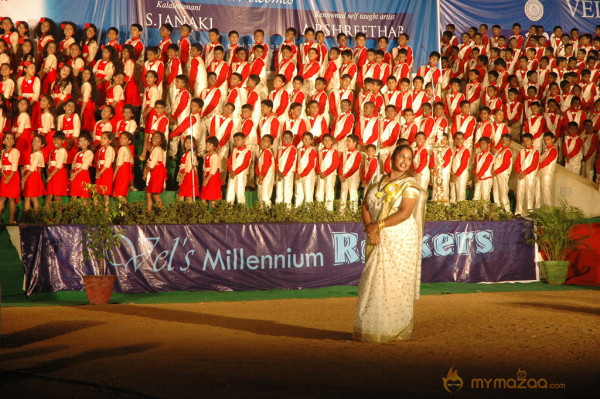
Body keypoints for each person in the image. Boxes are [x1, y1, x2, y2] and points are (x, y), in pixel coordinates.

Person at [354, 144, 426, 343]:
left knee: (393, 284)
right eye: (401, 156)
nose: (405, 161)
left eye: (409, 158)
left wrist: (378, 225)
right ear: (392, 158)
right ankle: (371, 328)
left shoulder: (410, 185)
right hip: (377, 234)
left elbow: (404, 213)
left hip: (400, 238)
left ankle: (395, 329)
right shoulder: (377, 180)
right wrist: (370, 227)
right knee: (372, 280)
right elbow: (366, 206)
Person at [515, 133, 539, 216]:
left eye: (528, 140)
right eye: (524, 141)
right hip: (521, 175)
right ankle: (518, 211)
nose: (526, 143)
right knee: (519, 193)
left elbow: (534, 165)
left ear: (532, 141)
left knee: (530, 194)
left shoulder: (535, 152)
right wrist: (519, 172)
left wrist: (524, 173)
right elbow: (517, 163)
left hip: (530, 175)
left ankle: (530, 212)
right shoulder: (521, 151)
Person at [143, 131, 168, 212]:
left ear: (161, 141)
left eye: (157, 137)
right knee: (149, 194)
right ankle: (149, 213)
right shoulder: (153, 149)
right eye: (154, 136)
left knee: (155, 195)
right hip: (154, 172)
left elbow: (153, 163)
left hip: (157, 172)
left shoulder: (157, 149)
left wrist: (146, 173)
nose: (154, 138)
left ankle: (163, 213)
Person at [22, 134, 46, 211]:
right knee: (29, 197)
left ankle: (33, 216)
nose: (35, 143)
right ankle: (30, 216)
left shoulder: (38, 154)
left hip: (32, 176)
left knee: (31, 198)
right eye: (34, 141)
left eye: (38, 142)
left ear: (42, 145)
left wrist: (25, 177)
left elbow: (33, 167)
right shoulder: (34, 153)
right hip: (30, 175)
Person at [0, 132, 20, 223]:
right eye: (7, 138)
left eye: (11, 138)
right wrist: (5, 176)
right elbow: (1, 166)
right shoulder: (2, 152)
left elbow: (14, 166)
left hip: (13, 176)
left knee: (11, 198)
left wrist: (9, 178)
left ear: (14, 142)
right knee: (2, 197)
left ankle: (12, 219)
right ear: (3, 141)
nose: (9, 140)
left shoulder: (15, 151)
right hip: (5, 175)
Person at [315, 134, 339, 211]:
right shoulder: (320, 152)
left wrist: (326, 173)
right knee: (319, 191)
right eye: (325, 140)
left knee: (329, 191)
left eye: (329, 140)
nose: (327, 142)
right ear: (322, 142)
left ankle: (328, 210)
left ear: (332, 142)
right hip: (321, 174)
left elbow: (335, 164)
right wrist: (319, 172)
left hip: (330, 174)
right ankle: (319, 209)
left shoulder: (334, 151)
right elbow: (317, 163)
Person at [226, 132, 251, 204]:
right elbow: (229, 161)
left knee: (240, 192)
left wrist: (235, 172)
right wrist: (230, 171)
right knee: (230, 192)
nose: (236, 142)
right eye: (235, 140)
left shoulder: (247, 151)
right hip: (232, 174)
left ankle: (241, 209)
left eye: (238, 139)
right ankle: (229, 208)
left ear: (244, 140)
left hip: (241, 174)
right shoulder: (234, 150)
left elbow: (245, 164)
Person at [339, 134, 362, 211]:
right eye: (347, 141)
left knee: (353, 193)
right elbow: (340, 164)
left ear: (355, 143)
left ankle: (353, 211)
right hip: (343, 176)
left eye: (349, 141)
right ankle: (342, 211)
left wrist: (346, 176)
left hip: (353, 177)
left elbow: (355, 167)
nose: (347, 143)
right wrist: (340, 174)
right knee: (343, 193)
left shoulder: (357, 154)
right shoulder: (344, 153)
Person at [45, 131, 68, 209]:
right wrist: (48, 174)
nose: (56, 141)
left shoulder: (62, 151)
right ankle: (47, 215)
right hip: (51, 175)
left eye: (58, 139)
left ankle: (59, 215)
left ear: (63, 141)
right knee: (49, 195)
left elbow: (58, 166)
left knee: (57, 196)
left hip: (58, 174)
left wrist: (50, 176)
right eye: (54, 139)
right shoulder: (52, 152)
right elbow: (48, 165)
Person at [294, 132, 317, 207]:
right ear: (302, 140)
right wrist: (296, 173)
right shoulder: (299, 150)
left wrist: (302, 174)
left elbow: (310, 165)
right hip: (299, 175)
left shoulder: (312, 151)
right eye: (305, 139)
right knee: (298, 193)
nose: (306, 141)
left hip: (308, 176)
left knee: (308, 194)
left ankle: (309, 213)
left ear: (311, 141)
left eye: (309, 139)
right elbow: (296, 162)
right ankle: (297, 211)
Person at [535, 132, 558, 207]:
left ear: (553, 140)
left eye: (548, 139)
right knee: (538, 192)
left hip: (547, 174)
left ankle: (549, 211)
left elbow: (547, 161)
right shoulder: (546, 150)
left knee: (546, 192)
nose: (546, 142)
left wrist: (537, 166)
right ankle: (537, 208)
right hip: (541, 172)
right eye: (544, 140)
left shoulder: (553, 150)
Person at [69, 131, 94, 199]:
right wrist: (72, 174)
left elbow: (84, 166)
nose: (83, 143)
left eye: (84, 141)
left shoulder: (89, 152)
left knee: (83, 196)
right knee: (73, 195)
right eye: (80, 141)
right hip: (75, 175)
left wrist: (75, 173)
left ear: (88, 143)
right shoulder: (77, 154)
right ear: (78, 144)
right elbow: (73, 165)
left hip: (83, 174)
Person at [275, 130, 297, 205]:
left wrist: (283, 174)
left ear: (291, 139)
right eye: (284, 137)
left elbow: (290, 163)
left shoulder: (292, 149)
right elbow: (276, 161)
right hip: (279, 172)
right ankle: (279, 210)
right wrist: (277, 171)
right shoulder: (280, 149)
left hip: (287, 173)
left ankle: (287, 211)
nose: (286, 139)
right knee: (279, 191)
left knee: (287, 191)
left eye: (288, 137)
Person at [492, 134, 513, 212]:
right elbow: (495, 162)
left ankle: (507, 211)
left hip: (502, 174)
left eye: (506, 140)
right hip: (496, 174)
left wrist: (496, 171)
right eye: (503, 140)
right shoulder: (500, 151)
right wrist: (493, 169)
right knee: (496, 193)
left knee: (503, 193)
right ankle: (498, 211)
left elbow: (506, 165)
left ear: (510, 142)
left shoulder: (507, 151)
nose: (504, 142)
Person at [112, 132, 134, 202]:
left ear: (129, 141)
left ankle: (127, 209)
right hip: (126, 170)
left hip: (122, 170)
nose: (121, 140)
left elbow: (119, 163)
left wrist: (114, 174)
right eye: (121, 138)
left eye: (124, 139)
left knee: (119, 194)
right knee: (120, 193)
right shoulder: (128, 149)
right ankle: (123, 211)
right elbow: (131, 163)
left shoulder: (122, 149)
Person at [201, 136, 223, 206]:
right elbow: (204, 167)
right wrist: (204, 177)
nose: (207, 146)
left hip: (212, 177)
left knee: (212, 198)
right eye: (206, 144)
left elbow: (213, 169)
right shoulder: (205, 155)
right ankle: (205, 213)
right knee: (203, 196)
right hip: (206, 176)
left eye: (209, 144)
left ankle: (215, 214)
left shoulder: (215, 156)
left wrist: (207, 179)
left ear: (214, 147)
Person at [177, 136, 200, 202]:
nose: (188, 144)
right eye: (186, 142)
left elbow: (189, 166)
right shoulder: (185, 154)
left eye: (190, 143)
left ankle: (190, 210)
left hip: (189, 175)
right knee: (182, 194)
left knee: (189, 195)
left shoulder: (191, 154)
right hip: (184, 174)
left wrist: (183, 175)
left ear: (194, 145)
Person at [450, 132, 470, 202]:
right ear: (454, 140)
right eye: (457, 139)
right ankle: (452, 209)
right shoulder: (453, 150)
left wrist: (456, 175)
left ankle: (460, 210)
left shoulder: (465, 150)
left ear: (464, 140)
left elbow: (463, 165)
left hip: (461, 174)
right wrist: (452, 173)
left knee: (460, 192)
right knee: (452, 192)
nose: (459, 141)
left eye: (461, 139)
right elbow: (450, 162)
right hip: (453, 174)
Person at [473, 137, 494, 201]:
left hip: (486, 179)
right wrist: (475, 174)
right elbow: (476, 166)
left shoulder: (489, 155)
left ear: (488, 145)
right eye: (480, 144)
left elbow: (485, 167)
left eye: (483, 143)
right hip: (478, 178)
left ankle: (485, 211)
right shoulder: (478, 155)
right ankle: (475, 211)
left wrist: (478, 176)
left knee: (485, 197)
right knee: (476, 196)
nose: (481, 145)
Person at [256, 134, 275, 205]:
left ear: (270, 145)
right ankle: (262, 212)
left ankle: (266, 213)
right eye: (263, 140)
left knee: (265, 196)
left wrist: (261, 177)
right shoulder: (262, 152)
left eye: (267, 141)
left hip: (266, 177)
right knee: (261, 195)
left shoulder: (267, 152)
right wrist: (258, 174)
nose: (263, 142)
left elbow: (265, 166)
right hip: (262, 176)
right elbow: (258, 165)